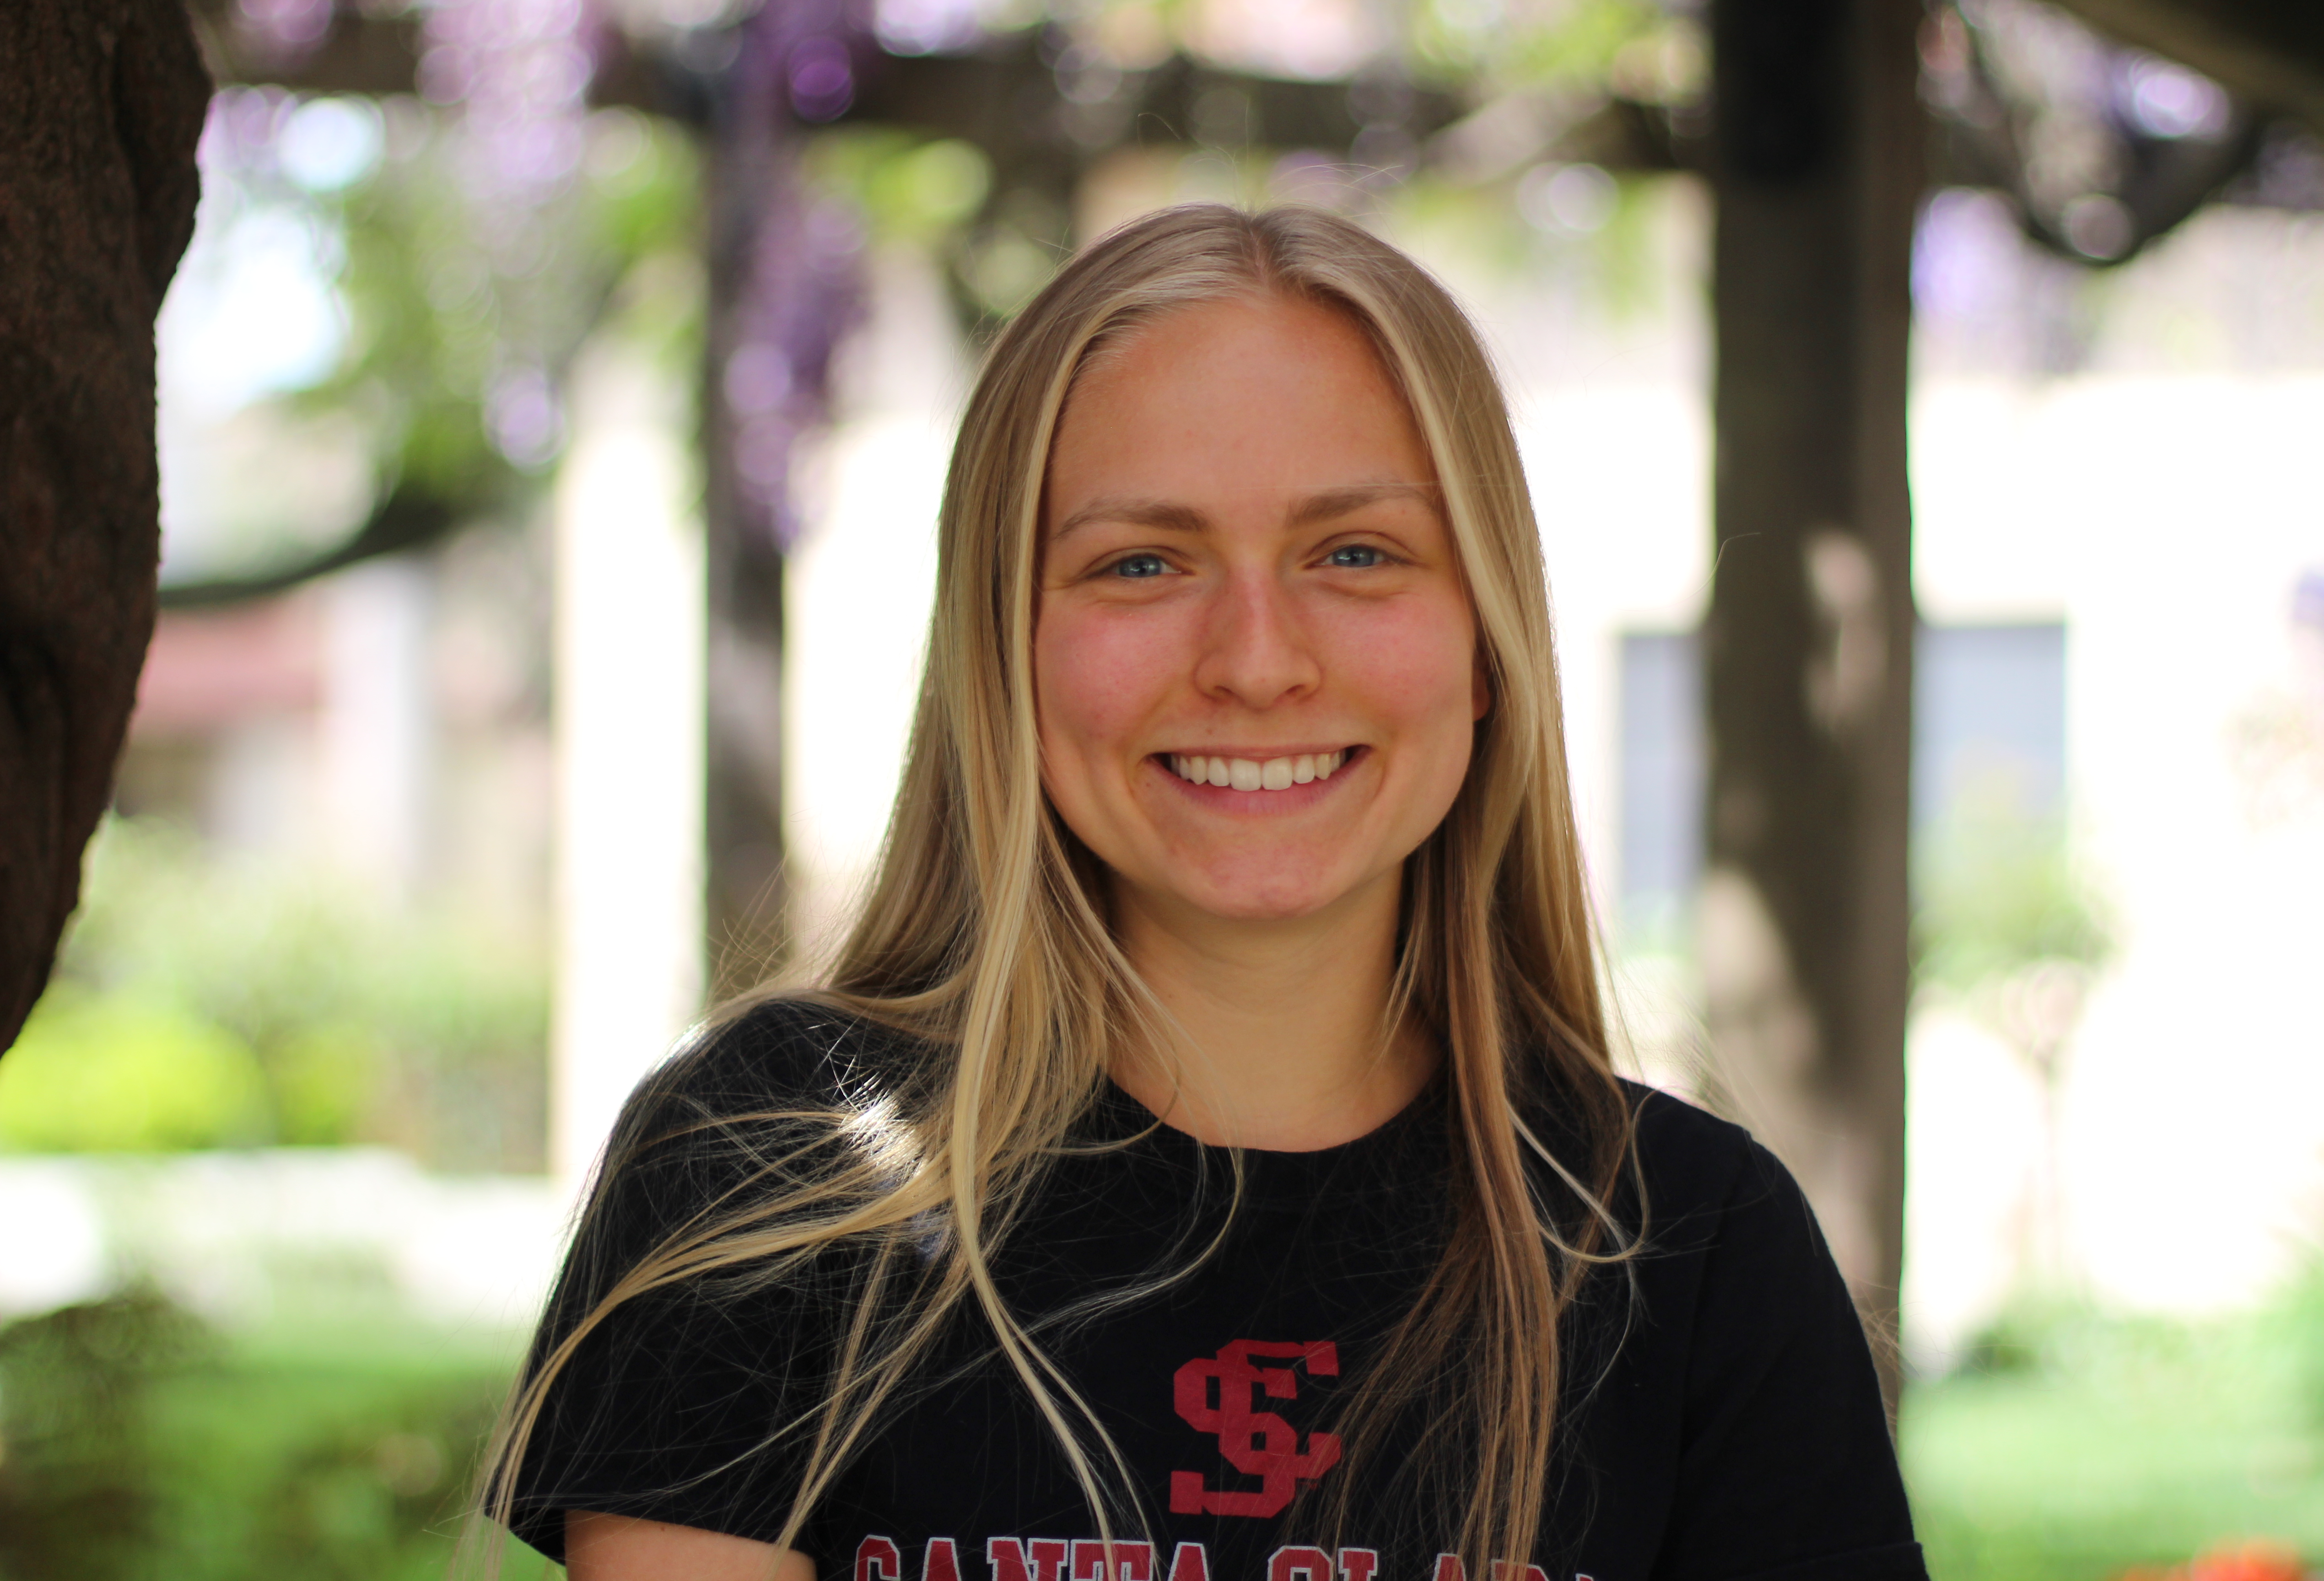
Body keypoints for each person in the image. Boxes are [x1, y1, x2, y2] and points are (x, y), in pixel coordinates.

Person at [480, 204, 1924, 1581]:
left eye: (1355, 554)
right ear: (1004, 652)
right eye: (1142, 563)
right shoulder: (774, 1171)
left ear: (1485, 646)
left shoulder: (1697, 1253)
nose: (1255, 660)